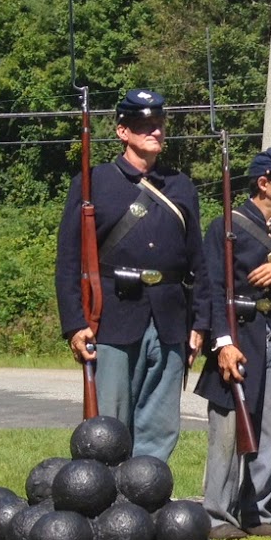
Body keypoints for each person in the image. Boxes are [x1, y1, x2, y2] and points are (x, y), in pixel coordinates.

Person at [54, 88, 206, 460]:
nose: (155, 132)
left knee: (160, 423)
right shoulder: (94, 182)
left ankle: (148, 495)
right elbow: (69, 262)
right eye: (144, 126)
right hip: (112, 317)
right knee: (109, 423)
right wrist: (75, 324)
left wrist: (200, 322)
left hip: (170, 318)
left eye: (158, 125)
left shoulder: (181, 187)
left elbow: (199, 263)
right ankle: (108, 500)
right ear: (123, 132)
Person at [194, 148, 271, 539]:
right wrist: (223, 342)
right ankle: (217, 514)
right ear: (263, 183)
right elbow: (211, 287)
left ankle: (256, 512)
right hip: (238, 334)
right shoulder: (225, 227)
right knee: (228, 431)